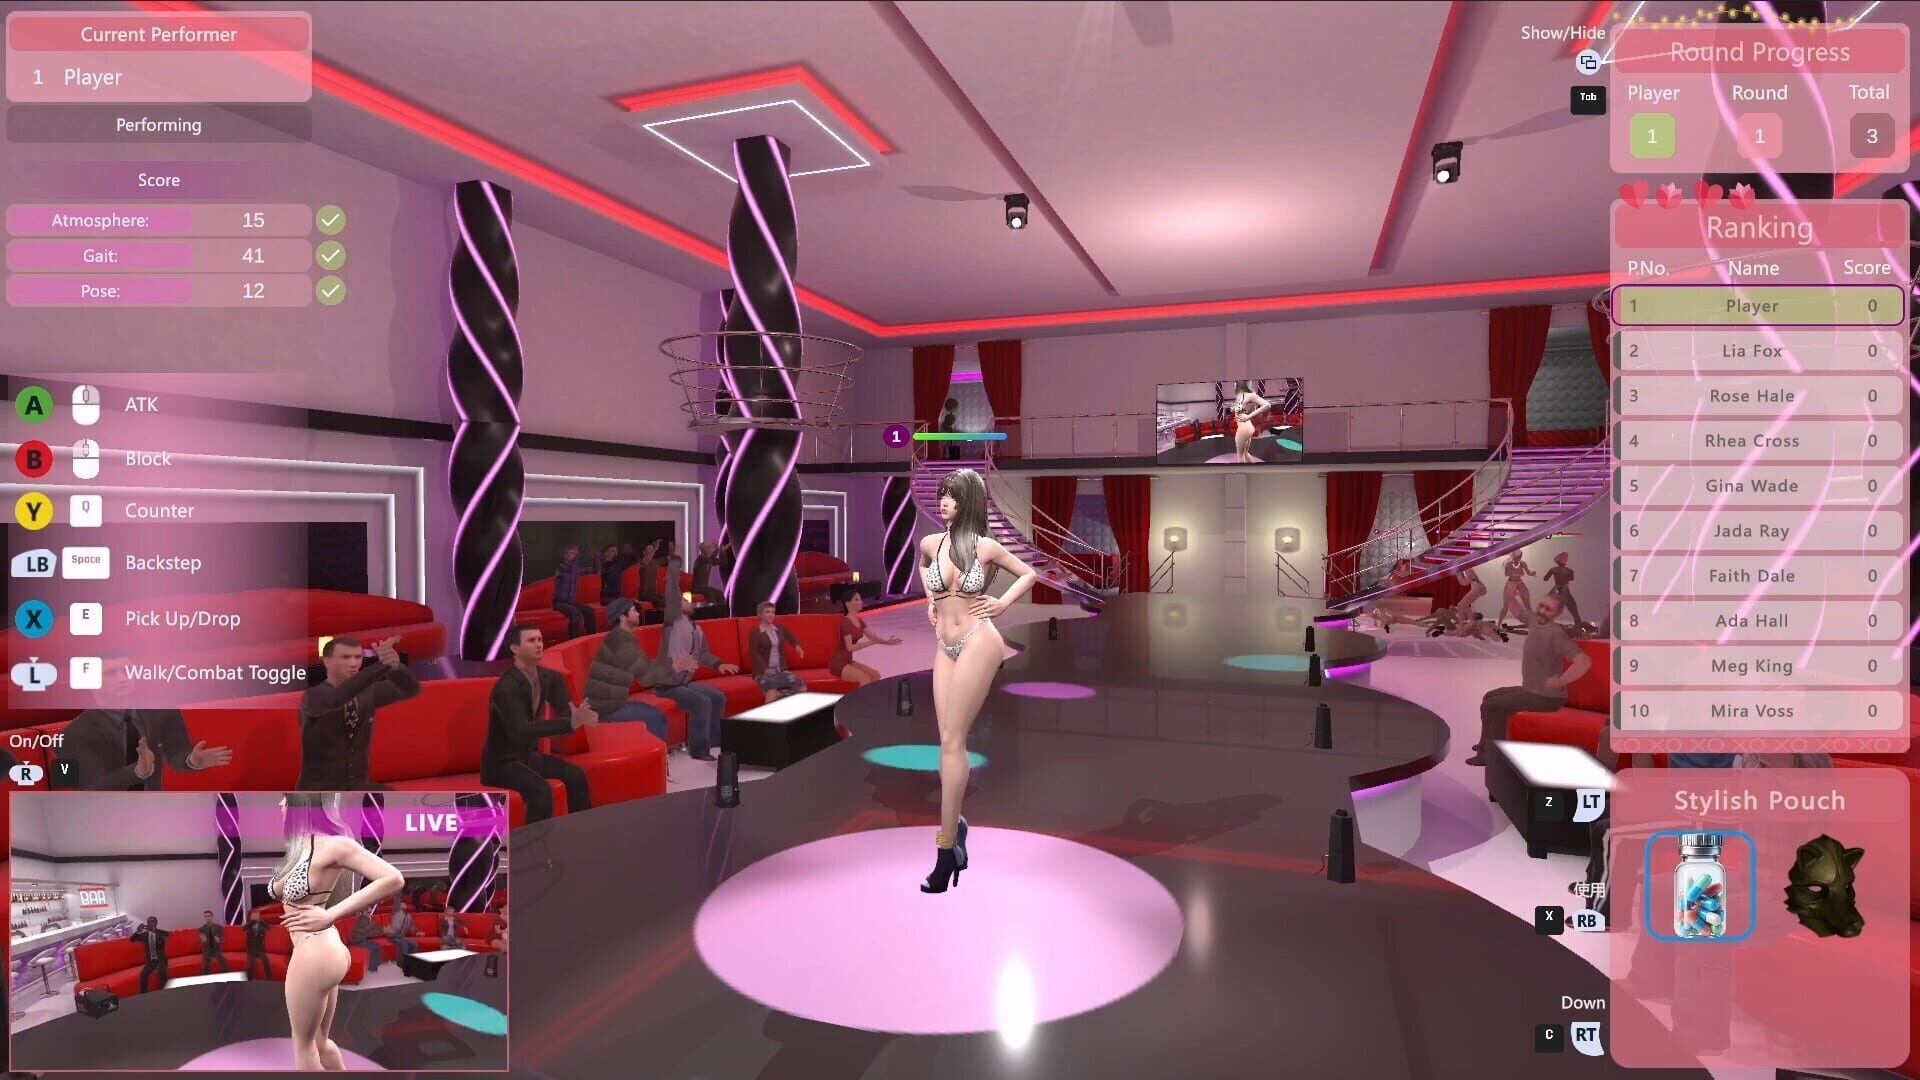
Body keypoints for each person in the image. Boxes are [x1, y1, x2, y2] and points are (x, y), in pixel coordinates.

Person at [917, 468, 1037, 892]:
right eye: (942, 494)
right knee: (946, 741)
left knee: (953, 741)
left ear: (968, 500)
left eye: (952, 495)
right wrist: (931, 600)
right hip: (944, 645)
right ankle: (955, 833)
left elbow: (1029, 573)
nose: (944, 501)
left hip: (978, 640)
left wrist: (1001, 603)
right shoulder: (931, 543)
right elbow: (924, 567)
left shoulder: (986, 546)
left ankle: (945, 849)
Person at [268, 793, 404, 1070]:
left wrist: (331, 913)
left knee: (303, 1046)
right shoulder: (298, 847)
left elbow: (393, 878)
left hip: (315, 952)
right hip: (322, 950)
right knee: (319, 1043)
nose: (280, 804)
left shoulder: (334, 845)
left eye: (286, 798)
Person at [483, 625, 598, 823]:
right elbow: (522, 729)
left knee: (576, 775)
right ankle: (533, 842)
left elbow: (567, 712)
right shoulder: (506, 687)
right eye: (531, 640)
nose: (539, 645)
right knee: (541, 791)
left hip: (530, 756)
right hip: (502, 764)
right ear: (514, 648)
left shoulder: (550, 678)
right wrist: (569, 723)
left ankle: (580, 831)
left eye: (540, 640)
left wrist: (578, 716)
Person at [1465, 593, 1590, 766]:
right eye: (1541, 606)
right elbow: (1517, 611)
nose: (1542, 611)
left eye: (1548, 609)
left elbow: (1584, 661)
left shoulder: (1556, 634)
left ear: (1558, 613)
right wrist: (1510, 594)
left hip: (1546, 697)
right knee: (1490, 696)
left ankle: (1490, 755)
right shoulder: (1535, 621)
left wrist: (1559, 682)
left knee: (1491, 706)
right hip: (1531, 690)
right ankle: (1487, 743)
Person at [64, 662, 233, 789]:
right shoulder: (75, 733)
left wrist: (192, 761)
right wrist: (137, 772)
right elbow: (91, 784)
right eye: (111, 673)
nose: (123, 678)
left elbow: (177, 754)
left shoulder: (161, 712)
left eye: (127, 671)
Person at [297, 636, 420, 790]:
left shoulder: (368, 693)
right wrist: (383, 664)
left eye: (358, 657)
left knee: (396, 799)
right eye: (346, 657)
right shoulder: (313, 696)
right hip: (319, 791)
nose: (354, 663)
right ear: (327, 661)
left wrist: (395, 666)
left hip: (357, 788)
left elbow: (410, 689)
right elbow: (340, 696)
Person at [643, 561, 736, 761]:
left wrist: (719, 664)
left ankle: (715, 743)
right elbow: (672, 588)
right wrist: (675, 561)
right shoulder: (673, 622)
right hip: (667, 685)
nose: (689, 602)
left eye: (689, 601)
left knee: (718, 697)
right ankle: (699, 750)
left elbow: (703, 655)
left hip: (684, 683)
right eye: (685, 601)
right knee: (702, 702)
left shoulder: (697, 629)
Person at [585, 599, 671, 743]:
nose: (638, 614)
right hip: (606, 709)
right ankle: (655, 756)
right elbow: (645, 678)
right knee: (656, 717)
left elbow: (645, 665)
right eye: (633, 611)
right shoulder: (621, 643)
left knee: (651, 711)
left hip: (614, 702)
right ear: (622, 617)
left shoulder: (622, 638)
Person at [829, 591, 897, 687]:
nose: (861, 602)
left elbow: (872, 636)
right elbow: (850, 647)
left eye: (860, 599)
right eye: (856, 599)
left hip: (848, 660)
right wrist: (871, 642)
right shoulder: (846, 623)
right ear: (847, 604)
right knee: (864, 679)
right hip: (838, 663)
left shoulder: (859, 621)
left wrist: (887, 642)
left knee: (875, 675)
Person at [747, 601, 808, 703]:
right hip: (763, 673)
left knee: (801, 686)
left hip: (781, 670)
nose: (771, 615)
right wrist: (765, 668)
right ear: (760, 615)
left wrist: (797, 646)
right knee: (772, 691)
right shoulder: (755, 633)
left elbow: (790, 636)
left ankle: (783, 701)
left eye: (773, 612)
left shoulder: (779, 628)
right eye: (767, 612)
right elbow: (753, 653)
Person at [551, 544, 596, 638]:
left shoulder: (575, 569)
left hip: (571, 602)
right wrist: (576, 559)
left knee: (590, 611)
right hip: (559, 603)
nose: (574, 556)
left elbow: (595, 570)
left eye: (575, 554)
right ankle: (574, 640)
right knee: (575, 613)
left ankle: (591, 638)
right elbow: (569, 569)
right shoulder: (560, 568)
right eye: (572, 553)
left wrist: (595, 559)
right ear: (565, 555)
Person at [1543, 551, 1591, 632]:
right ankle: (1578, 626)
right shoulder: (1570, 571)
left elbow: (1545, 578)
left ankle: (1543, 623)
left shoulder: (1553, 569)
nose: (1567, 560)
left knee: (1548, 606)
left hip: (1557, 588)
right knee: (1573, 609)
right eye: (1566, 559)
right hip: (1564, 589)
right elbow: (1571, 579)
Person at [1231, 380, 1273, 464]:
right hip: (1246, 427)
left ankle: (1242, 471)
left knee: (1240, 456)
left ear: (1240, 384)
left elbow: (1267, 405)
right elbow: (1244, 409)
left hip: (1244, 429)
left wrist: (1248, 416)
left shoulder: (1249, 395)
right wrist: (1235, 409)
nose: (1234, 385)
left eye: (1235, 383)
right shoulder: (1241, 396)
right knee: (1245, 453)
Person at [1497, 551, 1536, 631]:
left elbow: (1528, 572)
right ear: (1513, 556)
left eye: (1520, 556)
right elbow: (1506, 574)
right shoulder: (1508, 564)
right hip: (1510, 584)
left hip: (1520, 584)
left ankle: (1531, 622)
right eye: (1517, 557)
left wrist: (1532, 573)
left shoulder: (1523, 564)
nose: (1519, 558)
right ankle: (1498, 624)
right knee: (1506, 605)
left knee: (1527, 603)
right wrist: (1514, 572)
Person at [130, 916, 169, 992]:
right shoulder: (145, 935)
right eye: (150, 922)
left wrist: (154, 932)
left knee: (162, 974)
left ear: (156, 923)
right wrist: (138, 931)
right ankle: (143, 994)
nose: (152, 923)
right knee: (143, 975)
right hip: (151, 962)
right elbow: (132, 939)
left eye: (153, 921)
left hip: (160, 960)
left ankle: (166, 992)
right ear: (147, 924)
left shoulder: (161, 933)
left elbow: (162, 941)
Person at [348, 905, 385, 972]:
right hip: (357, 941)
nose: (370, 912)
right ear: (364, 912)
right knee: (373, 948)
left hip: (362, 939)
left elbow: (373, 926)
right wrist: (382, 930)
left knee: (377, 946)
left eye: (369, 911)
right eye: (368, 911)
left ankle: (376, 964)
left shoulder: (367, 918)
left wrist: (382, 929)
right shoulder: (362, 919)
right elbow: (369, 932)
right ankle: (372, 967)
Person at [244, 908, 273, 980]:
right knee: (251, 965)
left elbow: (269, 928)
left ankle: (269, 980)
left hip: (260, 950)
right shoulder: (248, 926)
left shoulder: (262, 925)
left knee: (266, 962)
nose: (255, 917)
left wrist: (260, 921)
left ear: (259, 917)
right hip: (251, 950)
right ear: (251, 917)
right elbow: (244, 928)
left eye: (256, 916)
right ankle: (250, 980)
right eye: (253, 916)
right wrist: (251, 922)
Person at [198, 909, 229, 974]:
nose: (207, 918)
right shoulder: (202, 929)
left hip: (216, 950)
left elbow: (221, 939)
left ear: (212, 917)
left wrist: (219, 940)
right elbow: (202, 943)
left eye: (209, 916)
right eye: (205, 916)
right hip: (207, 951)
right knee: (205, 966)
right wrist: (203, 940)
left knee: (224, 963)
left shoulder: (218, 927)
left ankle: (226, 977)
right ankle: (206, 978)